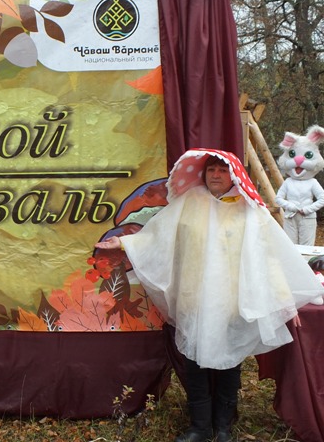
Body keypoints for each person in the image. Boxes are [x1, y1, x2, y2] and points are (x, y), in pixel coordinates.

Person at [95, 149, 324, 442]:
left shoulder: (250, 210)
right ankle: (200, 427)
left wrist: (286, 300)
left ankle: (224, 427)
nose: (216, 175)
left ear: (234, 175)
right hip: (193, 298)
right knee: (194, 363)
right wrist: (124, 243)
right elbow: (158, 235)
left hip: (231, 301)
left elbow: (270, 257)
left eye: (222, 170)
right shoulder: (191, 202)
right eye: (211, 170)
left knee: (230, 363)